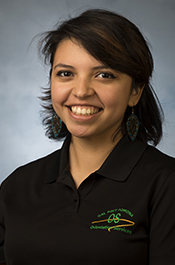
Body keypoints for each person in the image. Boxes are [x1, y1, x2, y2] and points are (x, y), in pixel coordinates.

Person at [0, 9, 175, 265]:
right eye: (66, 73)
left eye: (104, 75)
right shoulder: (17, 186)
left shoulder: (166, 184)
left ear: (135, 91)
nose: (81, 91)